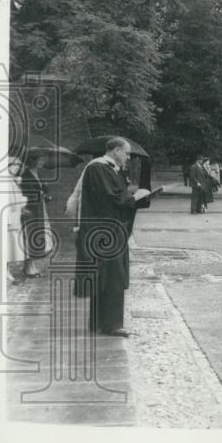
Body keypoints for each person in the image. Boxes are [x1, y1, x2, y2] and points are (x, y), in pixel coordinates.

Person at [73, 137, 150, 337]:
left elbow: (114, 195)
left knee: (106, 276)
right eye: (126, 153)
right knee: (112, 276)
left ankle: (100, 322)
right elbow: (110, 198)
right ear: (116, 150)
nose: (128, 158)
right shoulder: (98, 168)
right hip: (104, 230)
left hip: (107, 229)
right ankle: (112, 324)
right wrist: (135, 198)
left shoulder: (108, 169)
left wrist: (133, 197)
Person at [19, 154, 52, 277]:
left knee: (37, 236)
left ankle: (30, 267)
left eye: (43, 160)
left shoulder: (38, 174)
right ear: (32, 160)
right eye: (40, 159)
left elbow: (42, 191)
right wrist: (40, 193)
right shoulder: (25, 175)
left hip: (40, 210)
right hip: (30, 210)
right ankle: (28, 268)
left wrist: (46, 191)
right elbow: (24, 193)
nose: (42, 162)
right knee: (30, 236)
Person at [5, 157, 28, 280]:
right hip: (10, 216)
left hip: (14, 215)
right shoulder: (7, 181)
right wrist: (24, 200)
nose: (16, 168)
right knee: (7, 243)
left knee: (9, 243)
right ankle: (5, 270)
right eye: (14, 165)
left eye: (18, 166)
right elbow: (13, 200)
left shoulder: (11, 180)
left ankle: (6, 270)